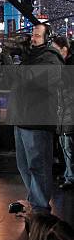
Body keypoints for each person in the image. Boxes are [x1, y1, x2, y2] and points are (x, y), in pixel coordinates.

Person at [7, 23, 64, 212]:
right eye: (32, 35)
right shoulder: (32, 57)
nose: (33, 38)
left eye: (37, 35)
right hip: (22, 119)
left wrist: (10, 63)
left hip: (37, 121)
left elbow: (30, 78)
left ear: (47, 38)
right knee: (24, 166)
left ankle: (40, 209)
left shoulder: (51, 59)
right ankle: (34, 201)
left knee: (38, 166)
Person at [51, 35, 74, 190]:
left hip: (68, 114)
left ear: (64, 50)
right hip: (64, 114)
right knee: (65, 147)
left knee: (68, 148)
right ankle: (67, 174)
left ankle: (70, 178)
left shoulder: (67, 68)